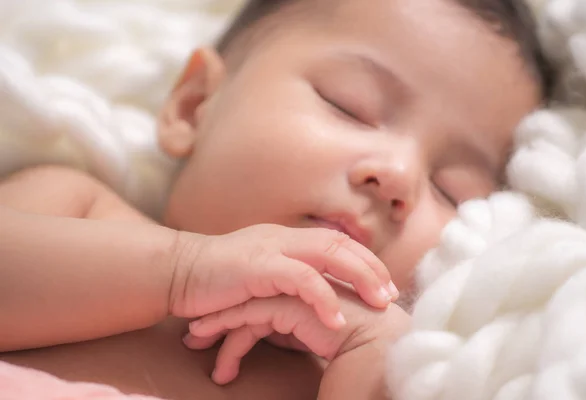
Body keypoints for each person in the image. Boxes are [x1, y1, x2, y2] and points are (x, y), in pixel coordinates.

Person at [0, 0, 552, 398]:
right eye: (349, 106)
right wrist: (181, 272)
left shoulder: (330, 375)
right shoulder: (82, 209)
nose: (398, 177)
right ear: (195, 106)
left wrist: (372, 353)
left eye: (449, 188)